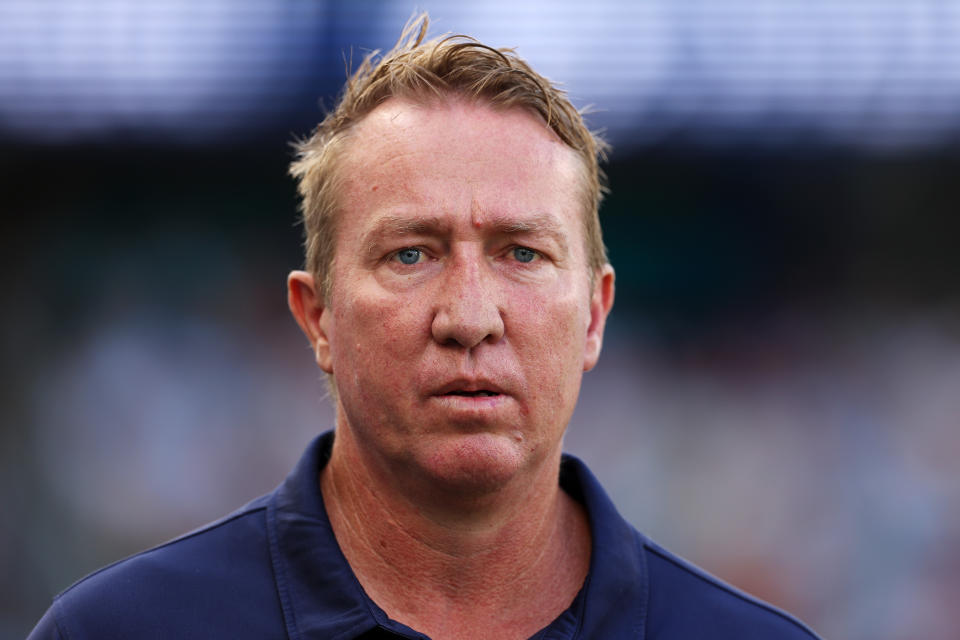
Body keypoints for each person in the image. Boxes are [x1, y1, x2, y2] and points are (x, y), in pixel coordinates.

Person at [29, 15, 821, 640]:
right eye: (411, 254)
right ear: (318, 318)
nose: (470, 318)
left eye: (522, 252)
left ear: (594, 314)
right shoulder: (120, 630)